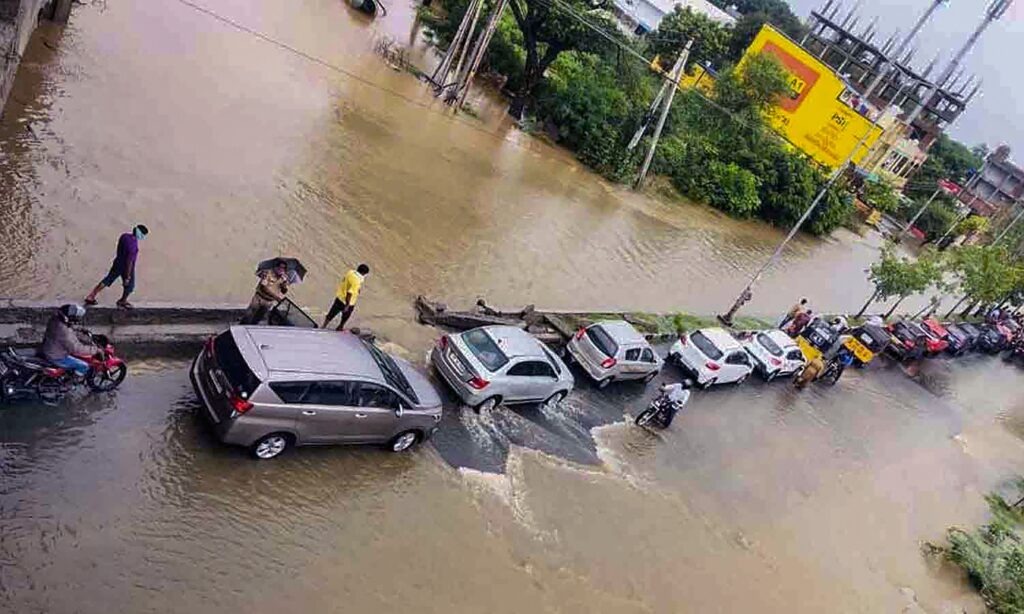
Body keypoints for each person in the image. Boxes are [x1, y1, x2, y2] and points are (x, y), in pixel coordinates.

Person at [84, 225, 149, 309]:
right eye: (143, 235)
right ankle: (123, 300)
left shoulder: (124, 236)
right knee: (130, 286)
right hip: (127, 267)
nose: (143, 237)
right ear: (140, 234)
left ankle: (91, 296)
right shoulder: (133, 246)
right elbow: (129, 261)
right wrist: (128, 276)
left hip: (118, 262)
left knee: (108, 279)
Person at [39, 304, 95, 377]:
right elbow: (76, 348)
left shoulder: (55, 320)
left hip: (48, 348)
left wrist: (79, 331)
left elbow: (70, 330)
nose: (76, 321)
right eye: (75, 318)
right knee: (84, 365)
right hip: (56, 356)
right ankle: (71, 382)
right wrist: (95, 350)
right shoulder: (64, 331)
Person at [323, 264, 369, 330]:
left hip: (339, 297)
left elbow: (347, 283)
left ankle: (323, 326)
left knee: (331, 314)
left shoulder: (350, 272)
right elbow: (349, 293)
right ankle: (340, 327)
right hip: (348, 302)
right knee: (345, 317)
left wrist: (357, 289)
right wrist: (347, 305)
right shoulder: (357, 281)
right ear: (363, 273)